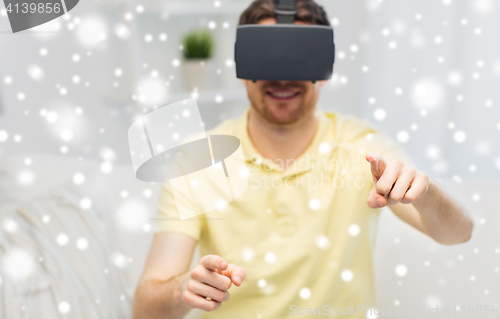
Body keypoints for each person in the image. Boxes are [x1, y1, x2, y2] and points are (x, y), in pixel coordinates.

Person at [132, 1, 474, 318]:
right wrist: (183, 290)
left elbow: (458, 233)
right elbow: (144, 309)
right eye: (268, 57)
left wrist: (426, 193)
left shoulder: (364, 146)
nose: (283, 77)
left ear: (325, 68)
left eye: (299, 57)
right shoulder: (198, 158)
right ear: (241, 65)